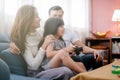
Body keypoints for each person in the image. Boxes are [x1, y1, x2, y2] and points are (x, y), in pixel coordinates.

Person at [10, 5, 103, 70]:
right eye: (55, 16)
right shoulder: (45, 32)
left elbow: (81, 46)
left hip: (72, 57)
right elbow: (21, 33)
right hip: (59, 60)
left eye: (60, 16)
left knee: (97, 57)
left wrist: (94, 50)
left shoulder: (68, 32)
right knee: (74, 62)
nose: (57, 18)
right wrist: (12, 42)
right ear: (49, 18)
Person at [10, 5, 74, 80]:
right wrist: (44, 45)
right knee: (66, 70)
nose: (40, 19)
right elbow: (33, 66)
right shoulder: (23, 41)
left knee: (73, 66)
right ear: (28, 19)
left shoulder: (40, 32)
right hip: (36, 72)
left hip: (46, 66)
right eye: (36, 16)